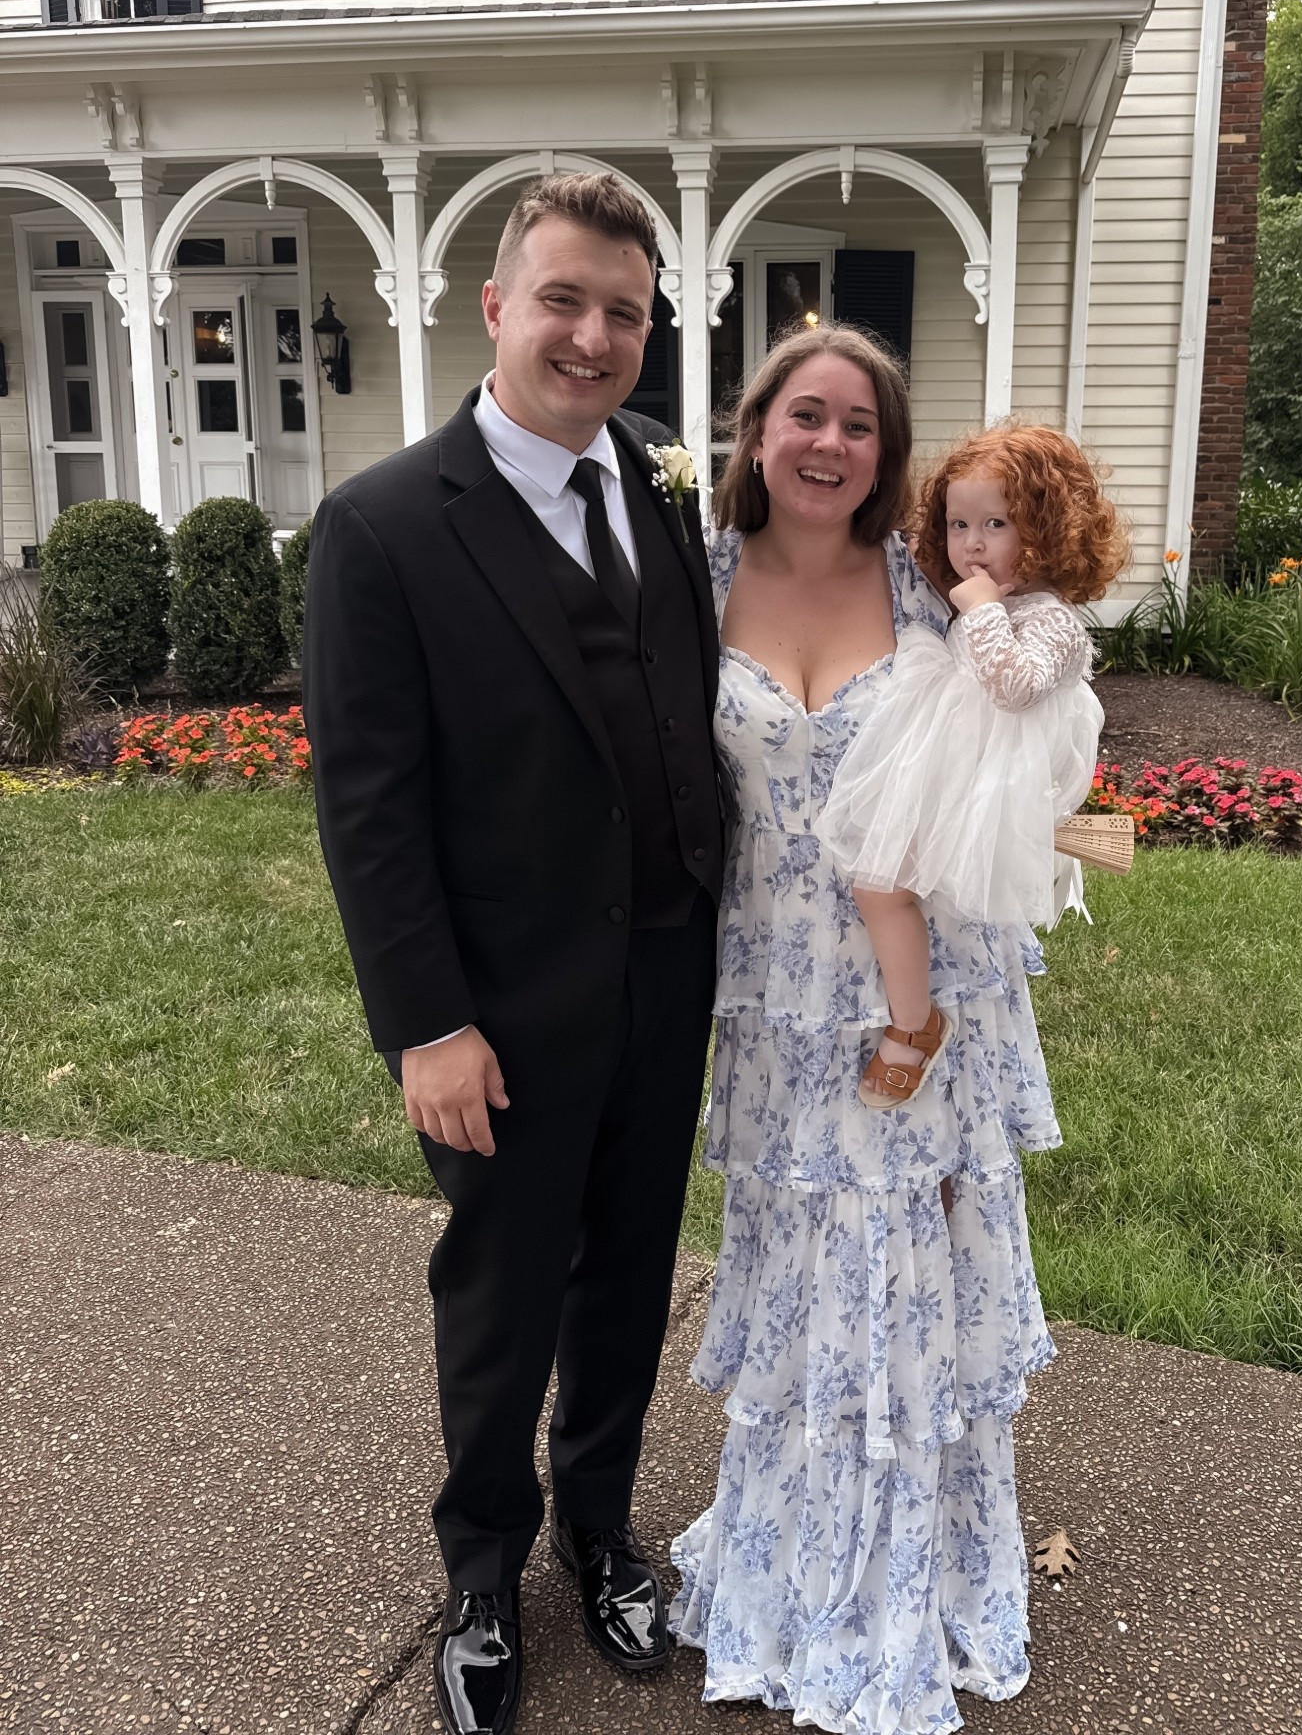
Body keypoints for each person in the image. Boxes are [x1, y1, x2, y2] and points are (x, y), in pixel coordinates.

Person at [303, 173, 724, 1735]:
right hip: (501, 1011)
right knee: (501, 1289)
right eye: (564, 299)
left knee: (626, 1277)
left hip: (666, 980)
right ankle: (481, 1572)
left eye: (624, 310)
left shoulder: (663, 494)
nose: (594, 334)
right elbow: (370, 807)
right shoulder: (385, 527)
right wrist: (427, 1027)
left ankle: (596, 1528)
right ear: (496, 308)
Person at [670, 331, 1061, 1733]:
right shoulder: (691, 584)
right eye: (805, 415)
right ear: (758, 429)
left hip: (923, 986)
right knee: (804, 1263)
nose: (830, 443)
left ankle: (917, 1576)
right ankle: (793, 1560)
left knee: (907, 1256)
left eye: (861, 427)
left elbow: (1032, 732)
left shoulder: (938, 589)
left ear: (888, 457)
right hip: (774, 982)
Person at [821, 421, 1127, 1111]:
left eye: (997, 523)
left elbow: (1013, 686)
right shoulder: (993, 604)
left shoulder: (1052, 619)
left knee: (881, 885)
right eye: (959, 524)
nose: (973, 544)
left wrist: (984, 610)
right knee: (877, 884)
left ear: (1049, 530)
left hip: (987, 795)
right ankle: (915, 1019)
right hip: (950, 781)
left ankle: (913, 1026)